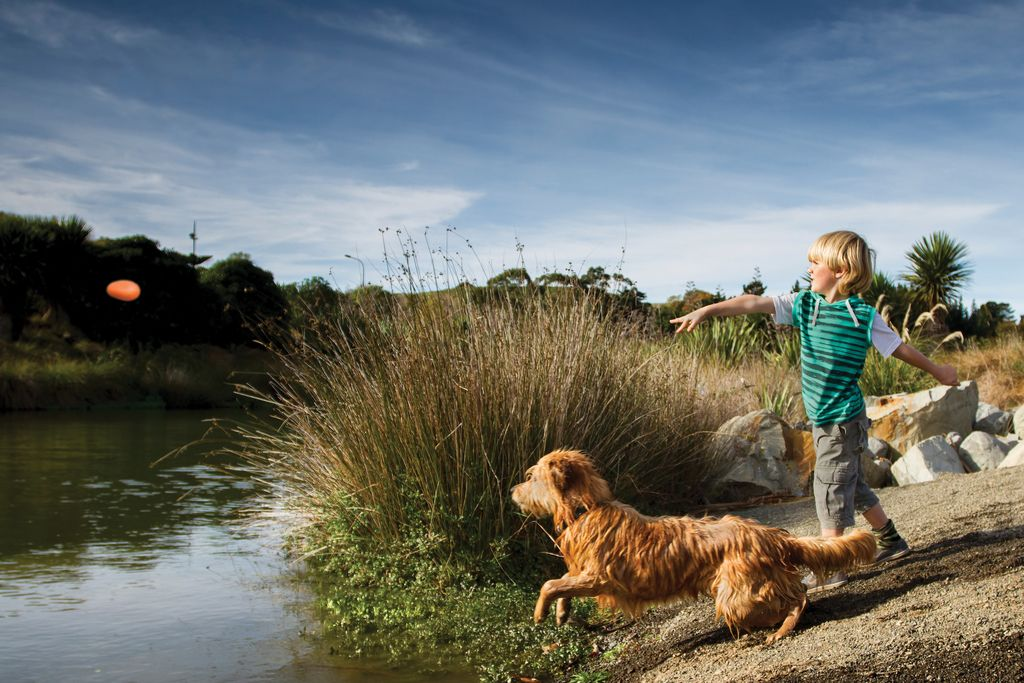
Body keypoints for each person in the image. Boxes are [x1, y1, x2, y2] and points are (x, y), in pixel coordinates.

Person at [671, 230, 958, 592]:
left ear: (841, 270)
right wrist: (710, 309)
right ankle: (891, 541)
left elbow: (901, 349)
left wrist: (939, 371)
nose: (809, 267)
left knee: (829, 488)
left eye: (816, 262)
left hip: (843, 421)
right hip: (824, 420)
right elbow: (752, 303)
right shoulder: (804, 304)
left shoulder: (863, 316)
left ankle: (830, 566)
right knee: (850, 483)